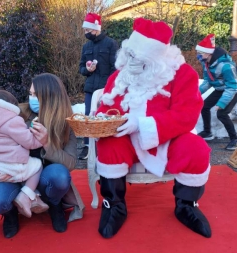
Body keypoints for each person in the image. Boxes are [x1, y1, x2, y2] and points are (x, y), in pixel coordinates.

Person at [95, 18, 212, 239]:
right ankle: (114, 205)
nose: (132, 62)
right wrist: (103, 120)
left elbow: (187, 115)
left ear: (156, 59)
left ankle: (186, 205)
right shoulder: (120, 76)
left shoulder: (181, 74)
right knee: (108, 143)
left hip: (168, 139)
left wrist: (141, 124)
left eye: (138, 59)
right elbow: (106, 107)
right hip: (125, 139)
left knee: (196, 148)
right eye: (129, 55)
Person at [0, 73, 85, 238]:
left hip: (42, 178)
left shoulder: (65, 123)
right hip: (11, 177)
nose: (31, 98)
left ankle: (54, 205)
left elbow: (70, 163)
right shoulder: (17, 112)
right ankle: (10, 212)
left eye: (36, 95)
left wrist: (47, 143)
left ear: (50, 97)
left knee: (60, 176)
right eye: (30, 94)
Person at [0, 90, 49, 218]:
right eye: (31, 93)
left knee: (25, 168)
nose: (32, 97)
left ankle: (30, 199)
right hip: (12, 166)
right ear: (10, 106)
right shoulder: (12, 120)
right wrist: (41, 139)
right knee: (37, 166)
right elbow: (29, 142)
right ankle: (26, 195)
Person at [78, 12, 118, 160]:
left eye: (88, 31)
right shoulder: (86, 46)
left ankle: (106, 146)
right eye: (85, 31)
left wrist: (110, 86)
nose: (86, 33)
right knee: (89, 115)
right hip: (90, 88)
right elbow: (81, 67)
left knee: (106, 116)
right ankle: (88, 146)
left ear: (96, 28)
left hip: (107, 89)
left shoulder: (110, 44)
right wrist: (86, 70)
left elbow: (116, 68)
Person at [196, 34, 237, 150]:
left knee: (222, 114)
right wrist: (195, 93)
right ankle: (207, 132)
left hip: (233, 90)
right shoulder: (206, 63)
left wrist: (221, 103)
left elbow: (232, 86)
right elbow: (208, 82)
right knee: (204, 106)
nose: (197, 55)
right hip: (221, 89)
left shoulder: (226, 66)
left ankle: (234, 139)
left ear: (208, 53)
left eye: (200, 52)